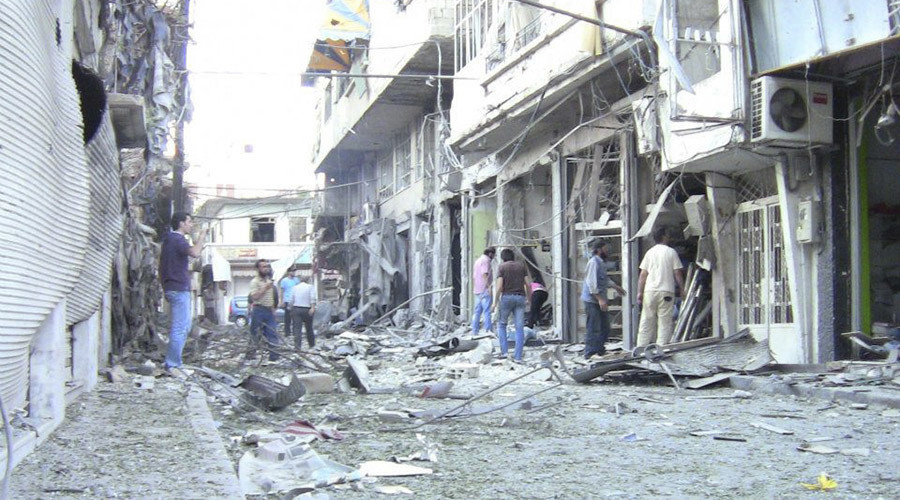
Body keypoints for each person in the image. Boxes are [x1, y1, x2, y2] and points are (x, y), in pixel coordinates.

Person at [159, 211, 206, 373]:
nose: (191, 225)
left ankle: (174, 361)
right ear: (181, 223)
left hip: (172, 286)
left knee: (183, 326)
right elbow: (195, 253)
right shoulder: (177, 239)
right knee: (180, 327)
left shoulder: (169, 240)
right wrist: (201, 238)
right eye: (189, 222)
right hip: (178, 288)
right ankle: (173, 364)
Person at [637, 227, 685, 347]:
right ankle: (661, 347)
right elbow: (677, 273)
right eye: (667, 235)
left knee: (646, 320)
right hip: (666, 291)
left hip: (650, 291)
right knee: (664, 321)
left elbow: (643, 274)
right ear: (663, 236)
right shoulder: (671, 252)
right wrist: (682, 289)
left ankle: (641, 347)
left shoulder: (650, 252)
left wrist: (640, 292)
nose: (669, 237)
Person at [581, 240, 627, 358]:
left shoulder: (601, 263)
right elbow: (591, 283)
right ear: (599, 250)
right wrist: (600, 299)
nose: (608, 251)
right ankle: (590, 353)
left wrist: (616, 287)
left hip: (599, 299)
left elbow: (604, 279)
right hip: (592, 301)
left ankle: (600, 350)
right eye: (606, 249)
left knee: (604, 327)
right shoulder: (593, 262)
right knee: (594, 327)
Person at [492, 248, 531, 362]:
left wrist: (495, 302)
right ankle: (518, 356)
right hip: (520, 298)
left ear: (503, 258)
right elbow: (528, 284)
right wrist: (529, 298)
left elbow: (499, 287)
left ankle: (504, 353)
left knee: (502, 325)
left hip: (507, 298)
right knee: (519, 328)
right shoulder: (521, 266)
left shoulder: (502, 267)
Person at [248, 259, 282, 360]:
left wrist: (273, 311)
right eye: (263, 267)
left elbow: (271, 298)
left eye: (267, 266)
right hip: (258, 310)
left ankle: (274, 357)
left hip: (269, 311)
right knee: (255, 334)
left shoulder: (269, 282)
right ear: (258, 269)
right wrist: (265, 288)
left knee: (272, 332)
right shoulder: (254, 282)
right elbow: (254, 297)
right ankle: (250, 355)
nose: (266, 269)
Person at [471, 247, 496, 335]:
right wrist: (488, 287)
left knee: (477, 311)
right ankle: (488, 330)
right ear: (490, 254)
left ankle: (474, 331)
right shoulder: (486, 261)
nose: (494, 257)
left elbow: (474, 276)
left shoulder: (477, 261)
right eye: (493, 254)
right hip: (484, 289)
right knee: (487, 311)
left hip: (477, 289)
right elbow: (484, 273)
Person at [290, 276, 317, 349]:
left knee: (297, 329)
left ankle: (297, 346)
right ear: (308, 280)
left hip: (296, 308)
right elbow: (312, 297)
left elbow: (292, 299)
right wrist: (313, 307)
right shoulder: (310, 287)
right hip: (307, 309)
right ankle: (311, 344)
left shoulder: (295, 287)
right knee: (309, 328)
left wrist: (290, 308)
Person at [279, 267, 300, 339]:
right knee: (287, 318)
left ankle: (295, 332)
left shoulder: (296, 280)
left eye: (294, 271)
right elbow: (282, 291)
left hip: (295, 301)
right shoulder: (284, 281)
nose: (294, 273)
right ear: (289, 272)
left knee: (295, 317)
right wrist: (282, 301)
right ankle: (287, 333)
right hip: (287, 300)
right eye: (292, 271)